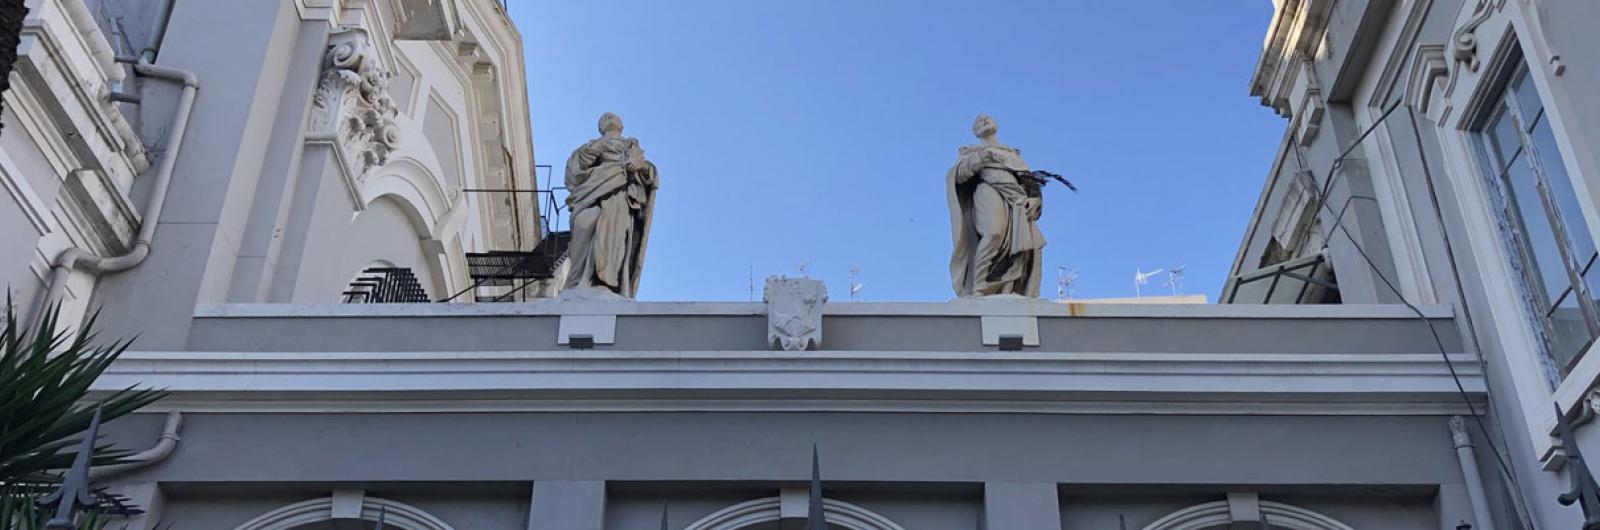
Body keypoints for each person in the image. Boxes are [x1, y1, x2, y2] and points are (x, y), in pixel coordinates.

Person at [945, 114, 1045, 298]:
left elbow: (1027, 178)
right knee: (993, 233)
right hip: (988, 189)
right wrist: (979, 159)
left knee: (1021, 242)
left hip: (1016, 198)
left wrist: (1035, 198)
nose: (984, 120)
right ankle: (980, 286)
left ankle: (1008, 287)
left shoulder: (1011, 154)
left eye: (988, 119)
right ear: (975, 132)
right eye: (979, 121)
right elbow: (958, 176)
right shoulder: (970, 152)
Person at [563, 112, 658, 298]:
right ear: (600, 127)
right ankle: (577, 280)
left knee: (612, 235)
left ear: (621, 126)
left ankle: (604, 283)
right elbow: (575, 171)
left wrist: (639, 167)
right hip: (591, 192)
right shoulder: (591, 145)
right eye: (605, 118)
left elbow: (649, 172)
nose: (609, 119)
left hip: (619, 195)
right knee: (584, 222)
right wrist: (597, 148)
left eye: (612, 117)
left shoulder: (631, 146)